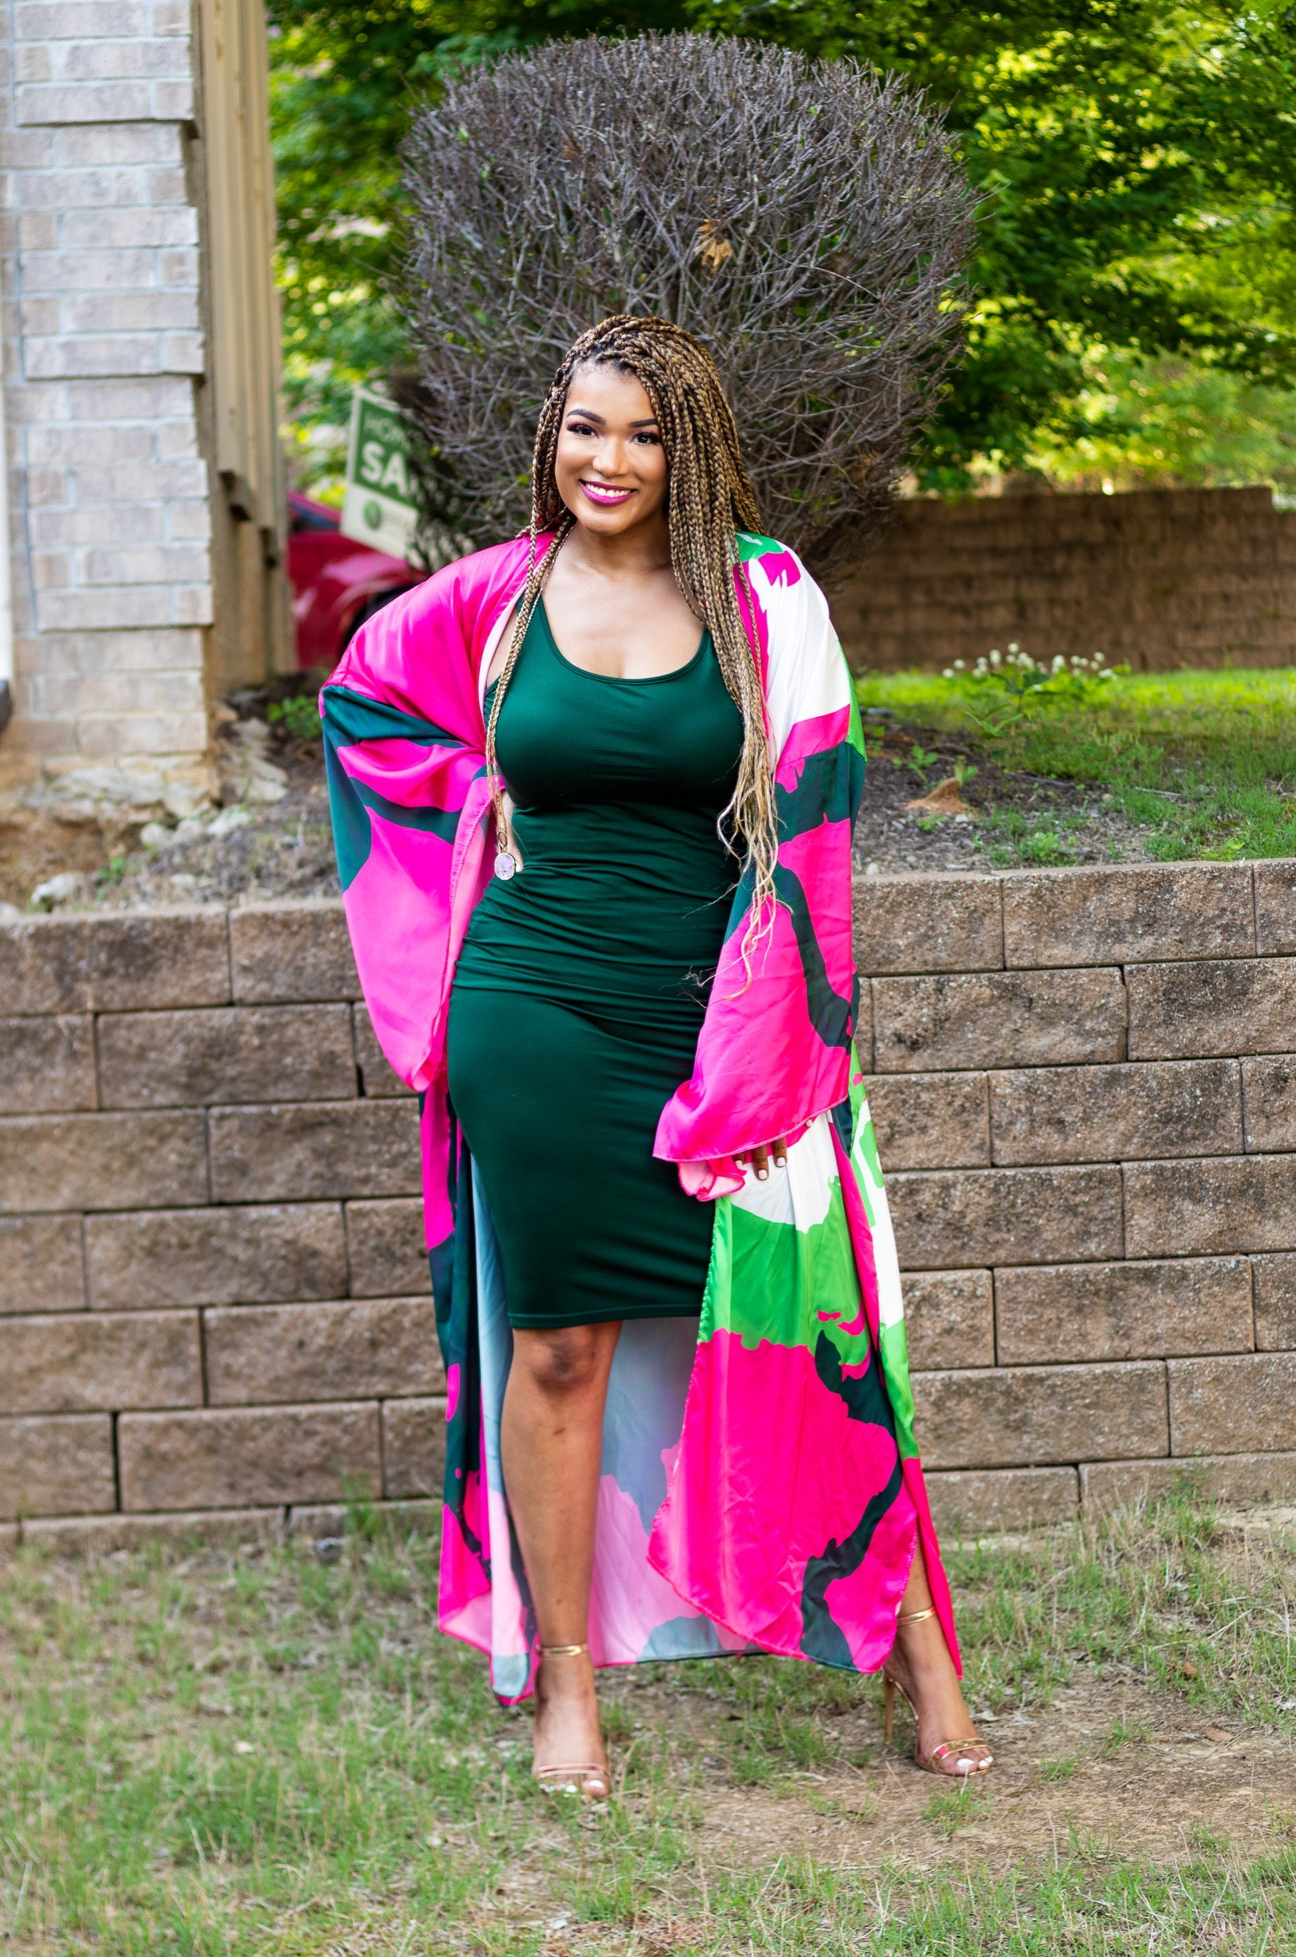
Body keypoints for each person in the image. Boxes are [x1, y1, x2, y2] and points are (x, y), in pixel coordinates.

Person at [322, 314, 993, 1802]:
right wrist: (471, 785)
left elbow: (815, 817)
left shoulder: (763, 597)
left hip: (741, 1011)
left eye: (640, 434)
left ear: (688, 452)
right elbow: (362, 706)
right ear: (547, 436)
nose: (605, 460)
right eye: (582, 428)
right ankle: (569, 1683)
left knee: (817, 1326)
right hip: (538, 1009)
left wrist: (777, 1041)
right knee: (559, 1347)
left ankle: (915, 1644)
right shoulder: (497, 598)